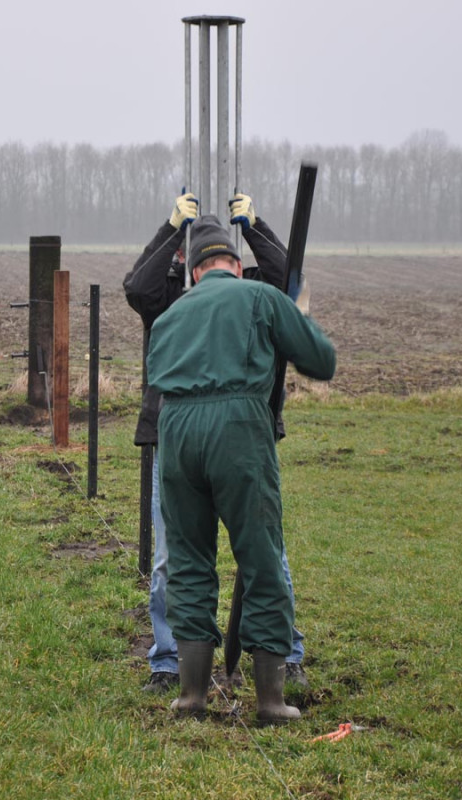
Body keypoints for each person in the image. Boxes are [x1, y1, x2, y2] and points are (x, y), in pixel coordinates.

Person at [147, 215, 336, 722]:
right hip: (239, 430)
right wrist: (291, 321)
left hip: (176, 431)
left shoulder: (169, 317)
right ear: (235, 264)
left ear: (195, 272)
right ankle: (271, 701)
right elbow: (321, 360)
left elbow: (156, 372)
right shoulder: (260, 297)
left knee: (188, 560)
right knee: (260, 559)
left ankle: (191, 696)